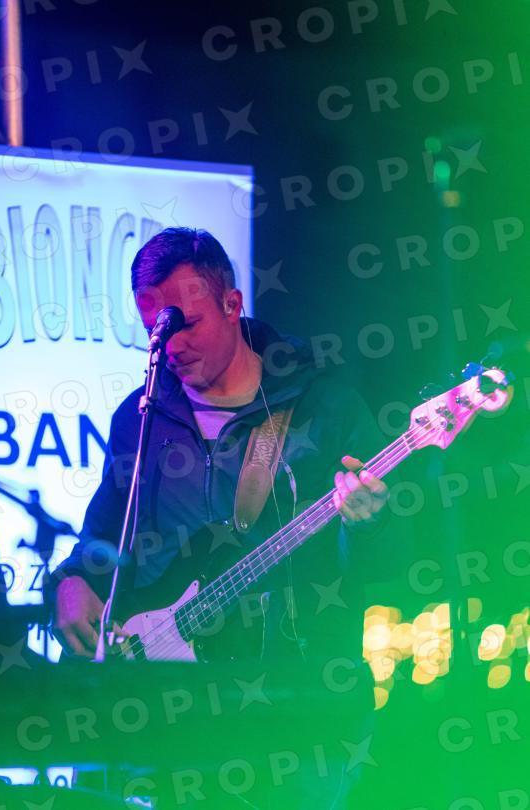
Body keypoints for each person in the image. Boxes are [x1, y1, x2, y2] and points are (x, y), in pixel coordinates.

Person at [49, 227, 396, 807]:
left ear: (232, 304)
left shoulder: (323, 408)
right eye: (156, 331)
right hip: (170, 714)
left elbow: (391, 565)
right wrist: (72, 582)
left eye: (186, 324)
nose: (171, 346)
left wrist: (369, 522)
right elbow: (104, 537)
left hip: (293, 712)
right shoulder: (140, 418)